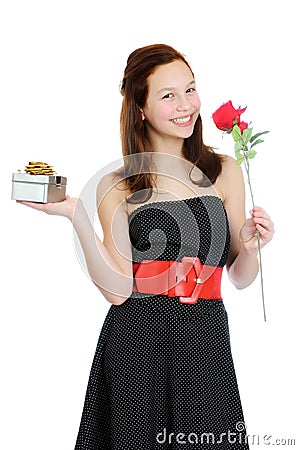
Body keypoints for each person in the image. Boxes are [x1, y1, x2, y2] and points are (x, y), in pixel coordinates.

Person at [17, 44, 274, 449]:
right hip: (137, 340)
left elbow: (240, 279)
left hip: (205, 340)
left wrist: (251, 247)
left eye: (190, 89)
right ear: (140, 107)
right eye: (168, 95)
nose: (185, 105)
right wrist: (75, 213)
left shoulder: (223, 171)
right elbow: (118, 291)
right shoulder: (117, 185)